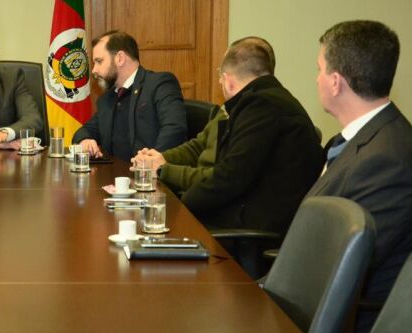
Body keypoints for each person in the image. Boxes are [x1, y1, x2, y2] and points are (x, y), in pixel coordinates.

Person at [306, 20, 412, 333]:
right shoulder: (358, 140)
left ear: (336, 82)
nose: (317, 79)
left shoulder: (388, 158)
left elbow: (339, 266)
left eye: (320, 69)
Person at [180, 37, 323, 234]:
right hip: (260, 218)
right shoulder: (275, 99)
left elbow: (230, 176)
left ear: (228, 81)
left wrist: (183, 206)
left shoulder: (261, 105)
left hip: (254, 230)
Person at [132, 37, 275, 194]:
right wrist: (158, 158)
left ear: (227, 80)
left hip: (211, 201)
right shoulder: (228, 110)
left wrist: (163, 169)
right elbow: (199, 146)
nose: (219, 81)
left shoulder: (258, 115)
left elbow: (222, 178)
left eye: (220, 73)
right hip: (198, 192)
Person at [71, 30, 187, 162]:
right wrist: (85, 140)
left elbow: (174, 129)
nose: (94, 70)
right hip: (113, 178)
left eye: (99, 61)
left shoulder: (159, 84)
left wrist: (150, 161)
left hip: (149, 177)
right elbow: (86, 130)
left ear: (120, 58)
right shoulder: (107, 98)